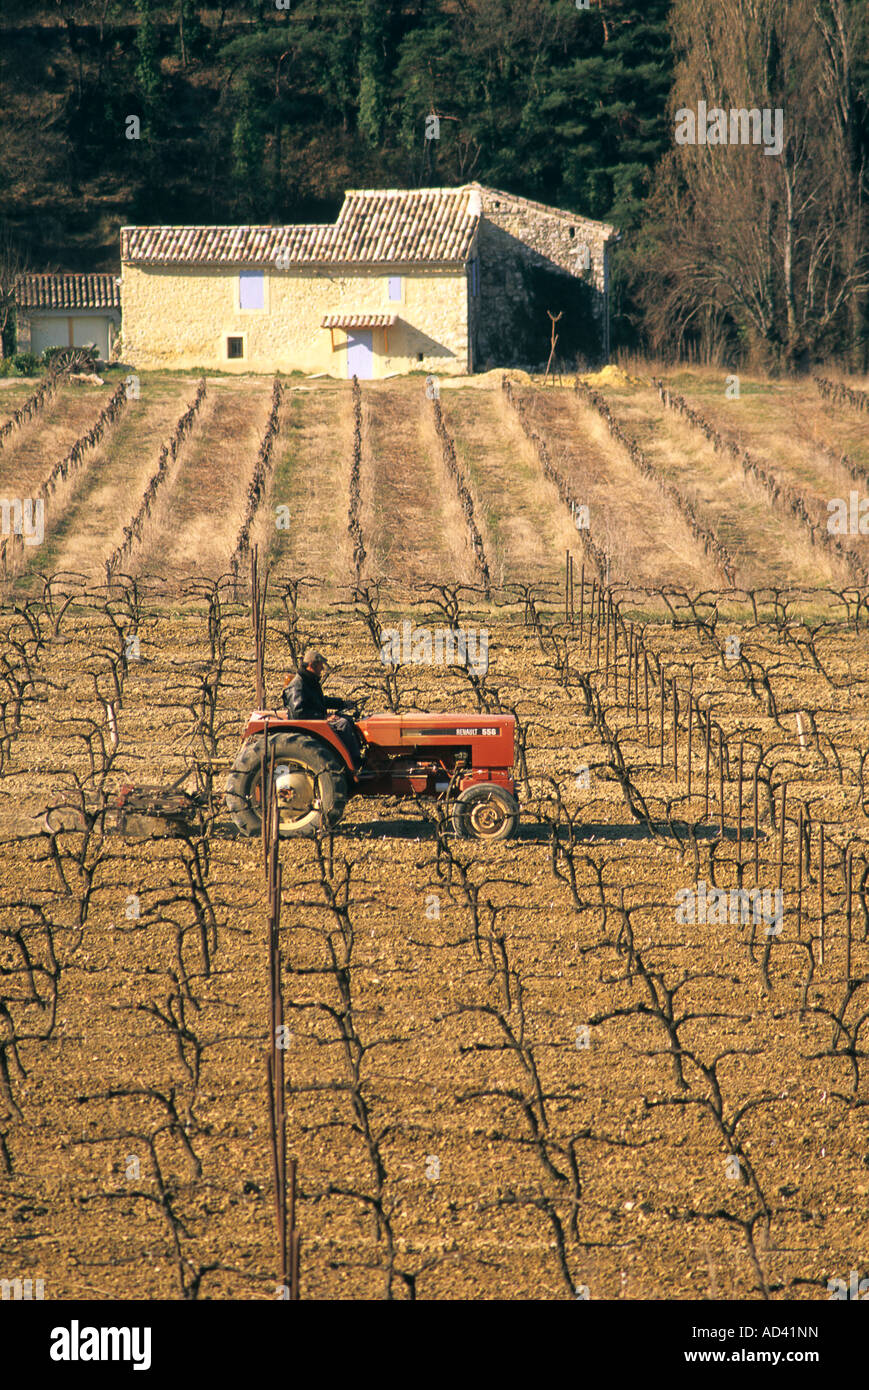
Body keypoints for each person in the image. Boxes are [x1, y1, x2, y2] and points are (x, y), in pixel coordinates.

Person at [281, 650, 365, 777]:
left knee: (348, 720)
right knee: (343, 724)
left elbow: (320, 701)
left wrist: (343, 703)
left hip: (316, 719)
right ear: (312, 665)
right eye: (320, 666)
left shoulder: (310, 681)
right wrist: (323, 717)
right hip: (309, 724)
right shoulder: (297, 685)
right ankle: (353, 764)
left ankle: (360, 758)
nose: (322, 669)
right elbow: (299, 712)